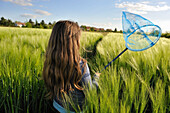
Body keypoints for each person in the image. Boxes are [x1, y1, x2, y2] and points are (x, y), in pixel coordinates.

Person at [43, 20, 100, 113]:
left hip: (56, 105)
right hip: (75, 110)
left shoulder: (50, 60)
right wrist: (96, 78)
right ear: (74, 42)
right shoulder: (81, 66)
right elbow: (90, 92)